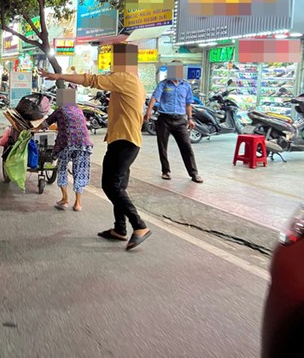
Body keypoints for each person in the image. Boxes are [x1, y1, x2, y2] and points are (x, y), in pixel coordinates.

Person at [39, 43, 151, 251]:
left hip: (124, 142)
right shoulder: (133, 81)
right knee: (119, 186)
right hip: (125, 141)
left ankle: (139, 226)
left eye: (116, 60)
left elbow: (91, 80)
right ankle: (120, 228)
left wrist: (60, 76)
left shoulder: (125, 78)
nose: (112, 64)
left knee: (111, 186)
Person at [145, 62, 203, 183]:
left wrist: (190, 118)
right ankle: (166, 171)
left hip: (180, 121)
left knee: (187, 147)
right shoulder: (163, 84)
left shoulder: (186, 86)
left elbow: (188, 103)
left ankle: (194, 173)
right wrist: (149, 111)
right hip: (164, 119)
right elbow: (155, 97)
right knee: (162, 146)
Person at [39, 88, 93, 212]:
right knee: (79, 172)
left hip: (67, 144)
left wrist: (34, 129)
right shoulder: (78, 109)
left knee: (62, 169)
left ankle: (65, 199)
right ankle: (78, 204)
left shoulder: (60, 110)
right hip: (84, 145)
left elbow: (45, 124)